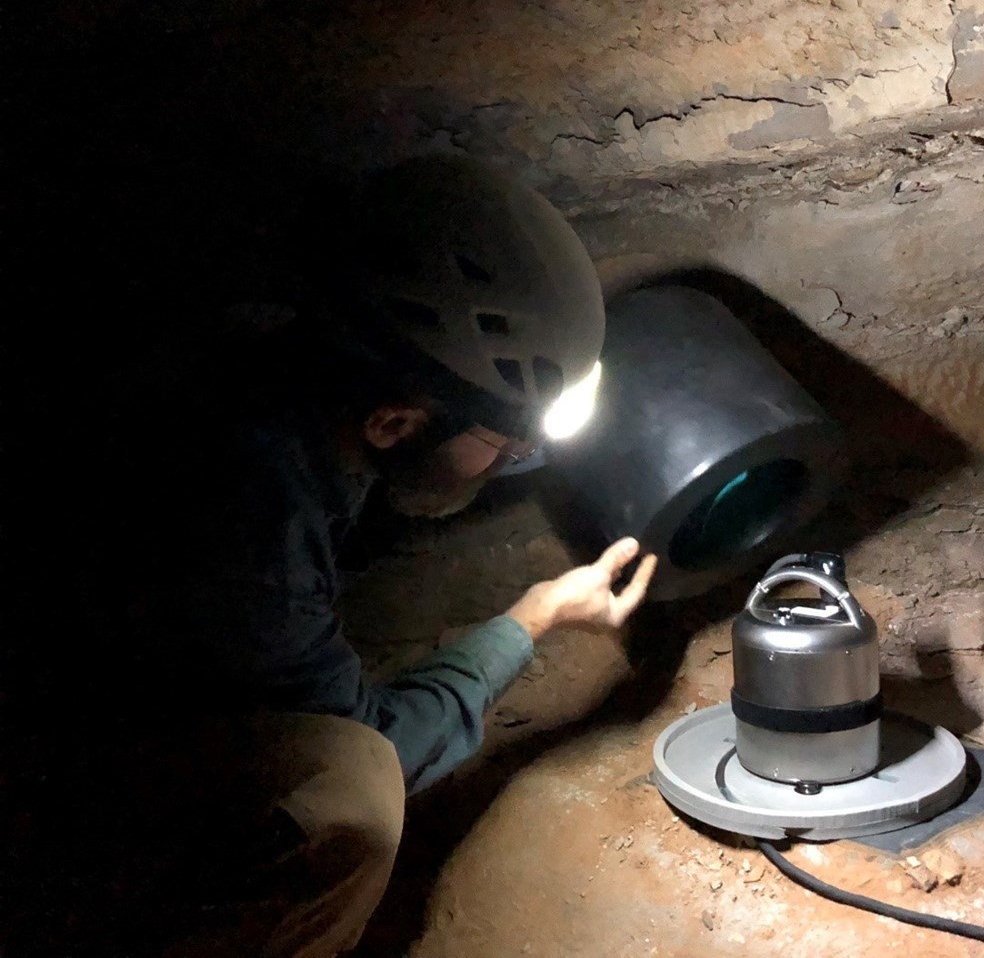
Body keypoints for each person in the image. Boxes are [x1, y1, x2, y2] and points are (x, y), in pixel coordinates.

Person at [5, 154, 657, 957]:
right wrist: (536, 614)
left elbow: (452, 452)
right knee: (349, 797)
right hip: (50, 782)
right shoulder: (249, 533)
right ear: (393, 421)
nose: (514, 458)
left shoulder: (289, 358)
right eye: (501, 441)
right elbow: (375, 736)